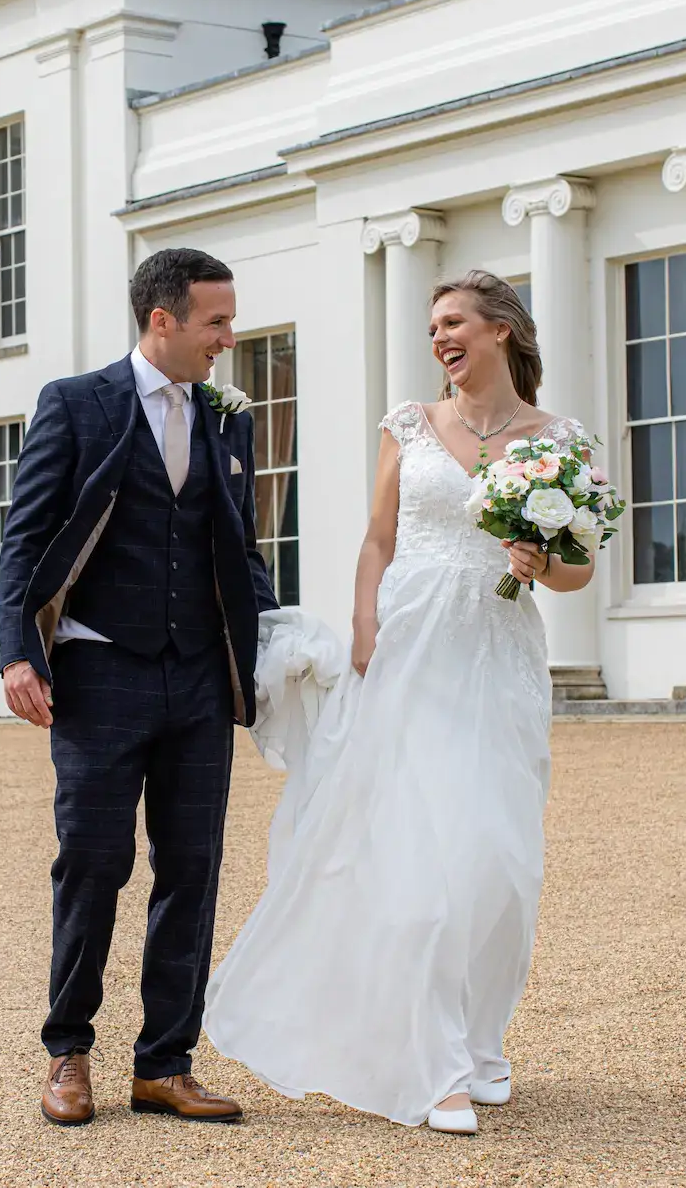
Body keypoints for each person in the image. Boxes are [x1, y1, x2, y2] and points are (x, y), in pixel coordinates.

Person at [204, 269, 595, 1135]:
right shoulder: (408, 425)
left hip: (498, 656)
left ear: (501, 329)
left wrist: (541, 562)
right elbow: (378, 539)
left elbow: (580, 566)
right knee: (420, 859)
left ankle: (482, 1039)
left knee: (500, 860)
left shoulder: (557, 441)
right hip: (410, 647)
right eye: (433, 328)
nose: (440, 338)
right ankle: (434, 1062)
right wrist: (364, 627)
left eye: (454, 322)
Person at [0, 248, 278, 1127]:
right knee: (92, 860)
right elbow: (25, 534)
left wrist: (274, 644)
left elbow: (241, 546)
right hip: (99, 671)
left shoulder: (227, 418)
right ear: (163, 320)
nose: (227, 339)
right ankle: (67, 1051)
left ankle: (164, 1064)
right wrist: (17, 652)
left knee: (192, 867)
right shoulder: (76, 403)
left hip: (199, 676)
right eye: (216, 322)